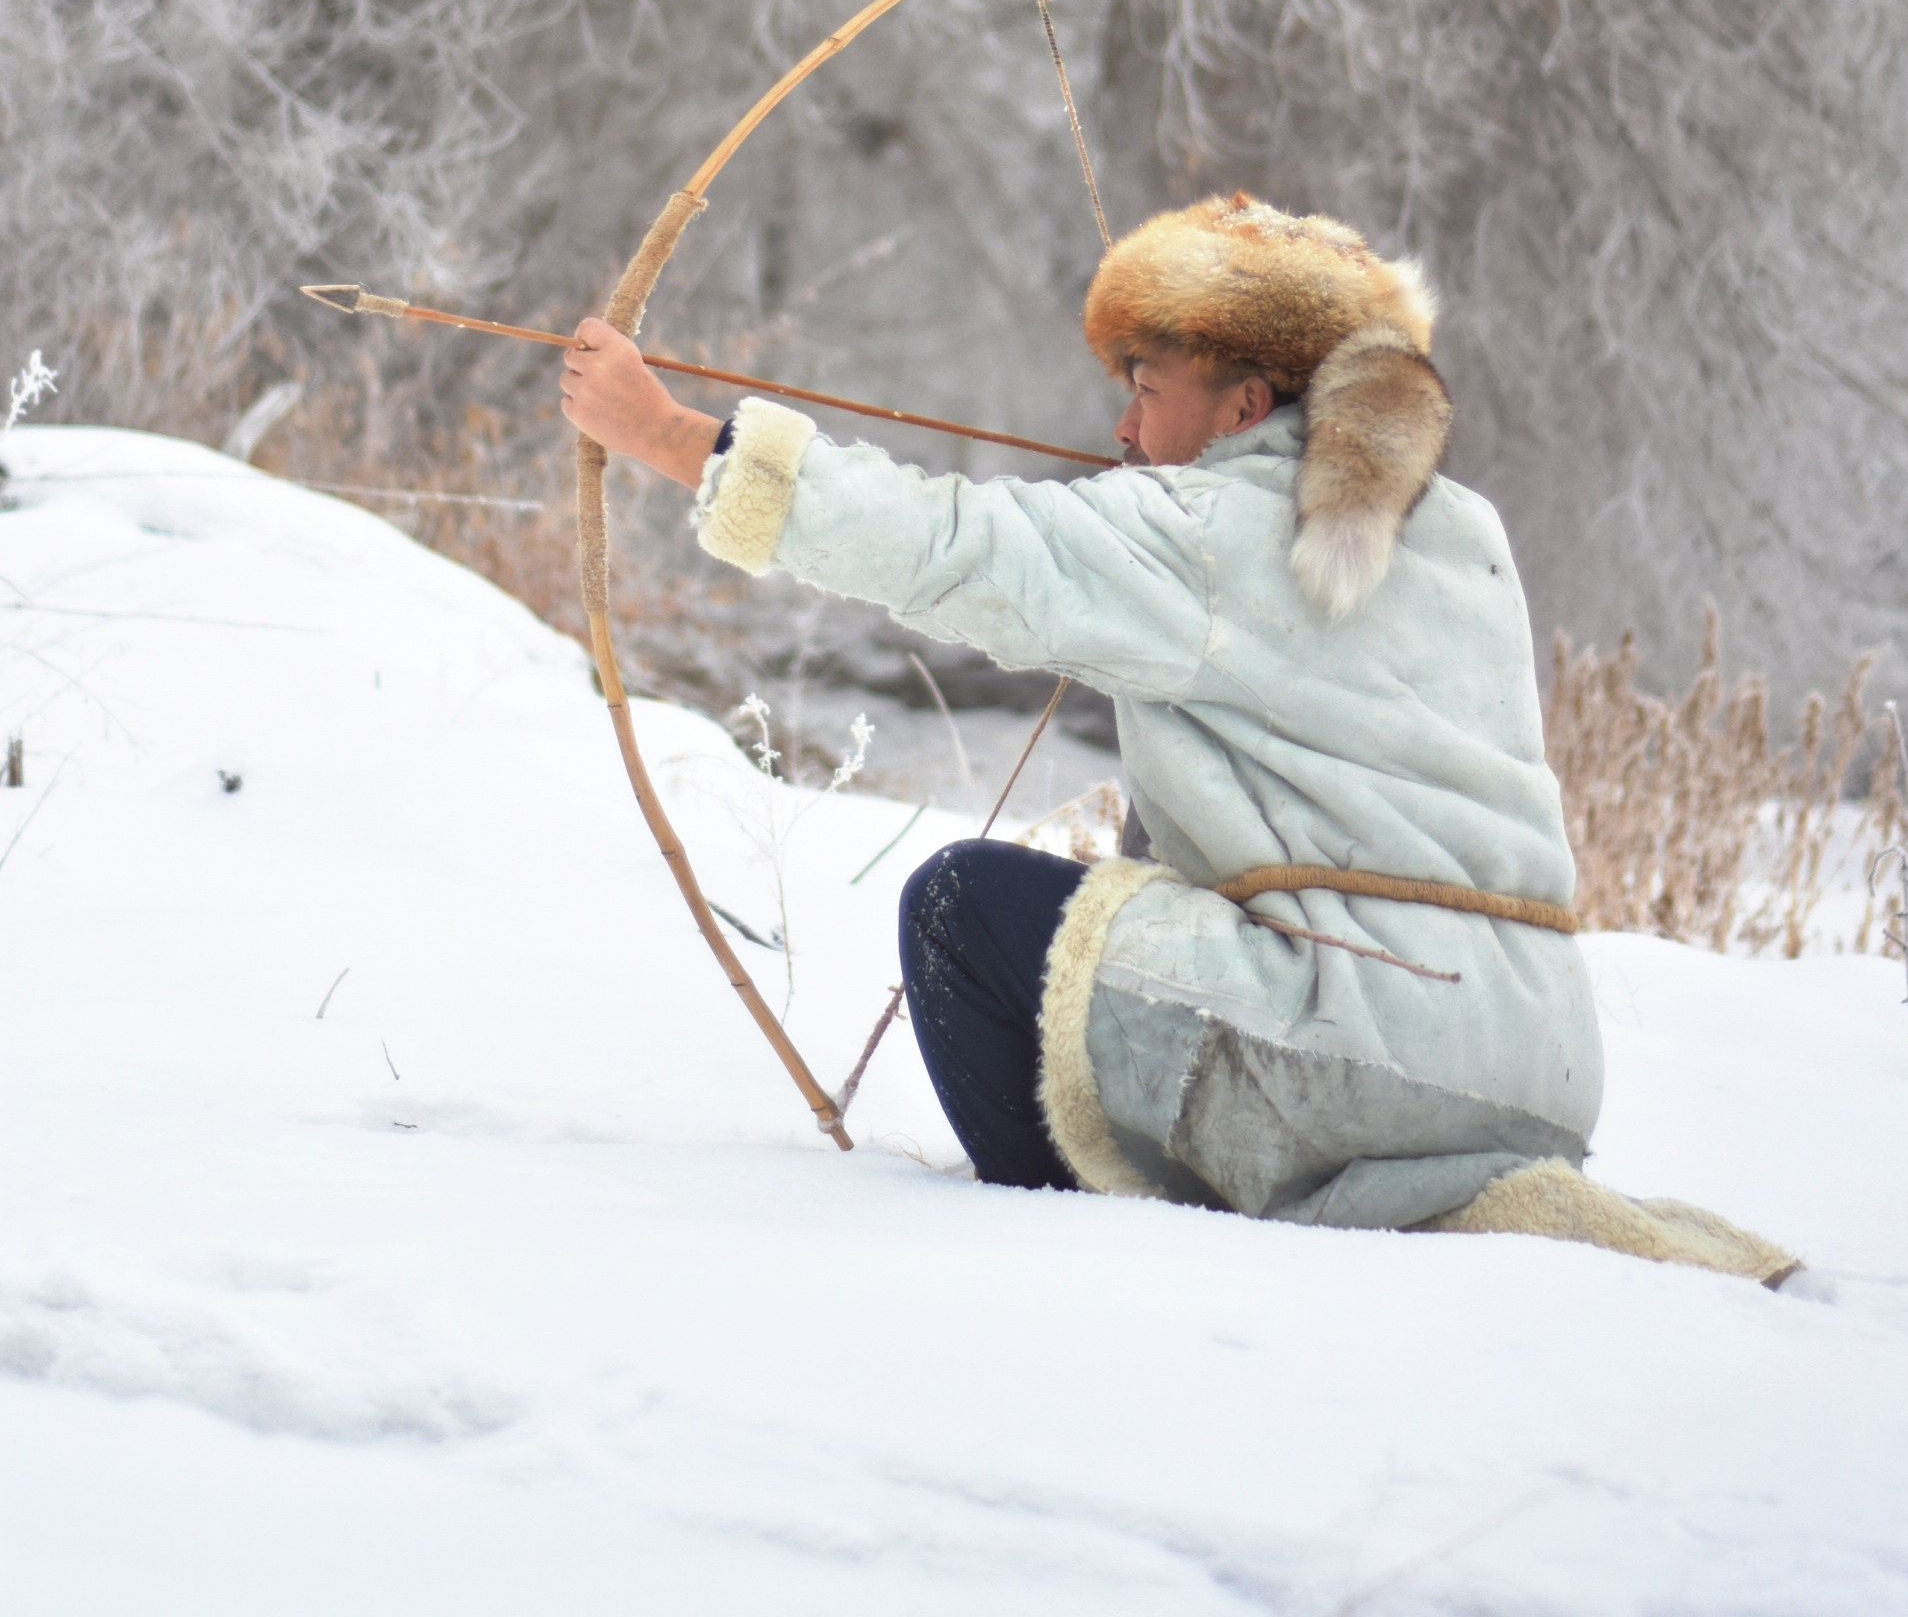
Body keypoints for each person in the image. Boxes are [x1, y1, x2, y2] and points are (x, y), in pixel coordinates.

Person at [561, 191, 1797, 1281]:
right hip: (1539, 1071)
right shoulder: (1462, 532)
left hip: (1361, 1046)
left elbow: (953, 547)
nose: (1123, 432)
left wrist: (668, 435)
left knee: (961, 908)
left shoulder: (1206, 531)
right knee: (1120, 898)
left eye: (1149, 393)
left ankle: (1086, 1248)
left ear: (1245, 401)